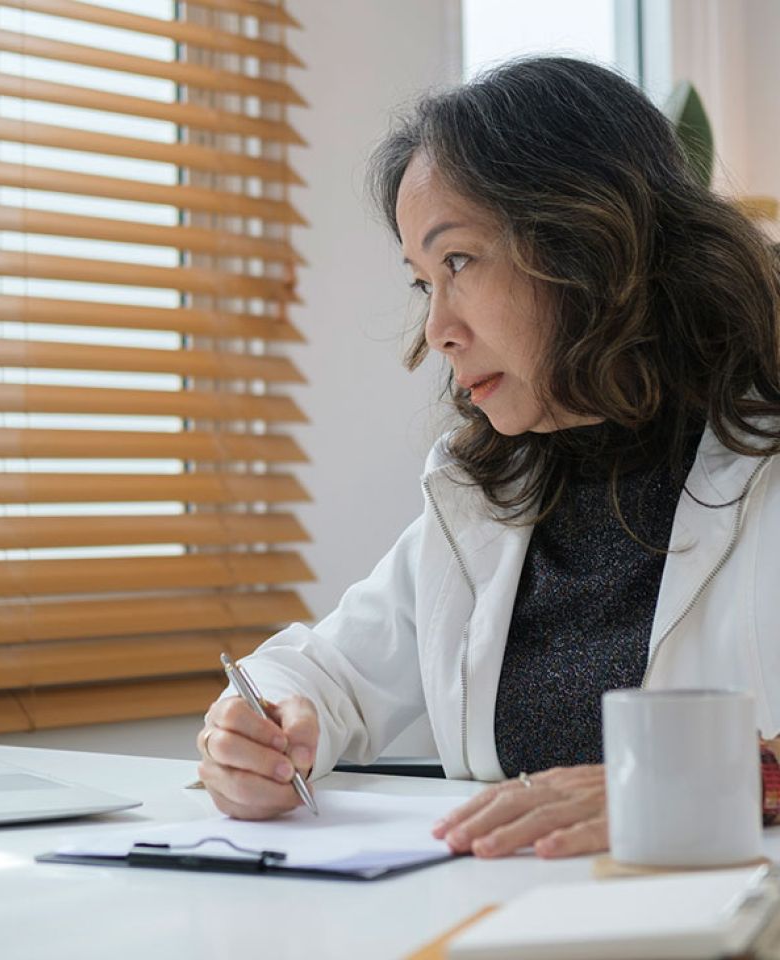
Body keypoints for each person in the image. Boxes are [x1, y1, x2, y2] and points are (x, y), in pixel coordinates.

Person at [196, 56, 780, 857]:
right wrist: (259, 727)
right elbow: (327, 674)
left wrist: (705, 782)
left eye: (459, 262)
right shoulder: (484, 493)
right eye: (421, 281)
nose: (437, 327)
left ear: (587, 245)